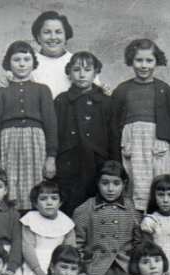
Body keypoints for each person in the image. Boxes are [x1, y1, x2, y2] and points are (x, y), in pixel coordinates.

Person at [73, 160, 138, 275]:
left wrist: (136, 258)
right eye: (105, 183)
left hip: (124, 259)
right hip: (96, 260)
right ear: (97, 184)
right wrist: (82, 264)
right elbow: (77, 242)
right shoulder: (86, 209)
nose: (110, 189)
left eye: (116, 184)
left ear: (124, 185)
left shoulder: (129, 207)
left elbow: (138, 238)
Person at [111, 38, 170, 211]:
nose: (144, 65)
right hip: (132, 142)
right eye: (139, 60)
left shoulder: (166, 90)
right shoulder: (122, 90)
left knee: (161, 184)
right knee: (134, 185)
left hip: (158, 143)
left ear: (157, 61)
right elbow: (114, 123)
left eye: (149, 60)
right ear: (131, 61)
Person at [0, 40, 57, 211]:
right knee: (10, 187)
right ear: (8, 63)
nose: (21, 64)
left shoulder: (42, 89)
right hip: (8, 142)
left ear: (33, 63)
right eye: (16, 60)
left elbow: (51, 124)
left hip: (35, 142)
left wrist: (51, 157)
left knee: (35, 186)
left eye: (26, 59)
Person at [54, 51, 116, 215]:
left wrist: (114, 164)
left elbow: (113, 136)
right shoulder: (62, 100)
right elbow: (54, 134)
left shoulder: (106, 101)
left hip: (97, 161)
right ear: (69, 73)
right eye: (76, 70)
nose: (82, 74)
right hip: (68, 162)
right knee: (69, 204)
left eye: (87, 70)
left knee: (96, 205)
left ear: (96, 72)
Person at [15, 181, 75, 275]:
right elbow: (27, 247)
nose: (49, 202)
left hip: (59, 262)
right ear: (35, 203)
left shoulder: (66, 222)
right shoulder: (30, 220)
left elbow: (71, 249)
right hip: (35, 263)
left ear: (60, 202)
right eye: (43, 199)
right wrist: (38, 271)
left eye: (54, 198)